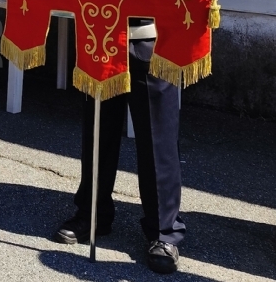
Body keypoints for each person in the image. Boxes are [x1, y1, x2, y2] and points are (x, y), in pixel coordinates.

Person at [50, 17, 184, 274]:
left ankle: (163, 231)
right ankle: (93, 214)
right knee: (98, 132)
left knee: (157, 140)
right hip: (101, 29)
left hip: (152, 31)